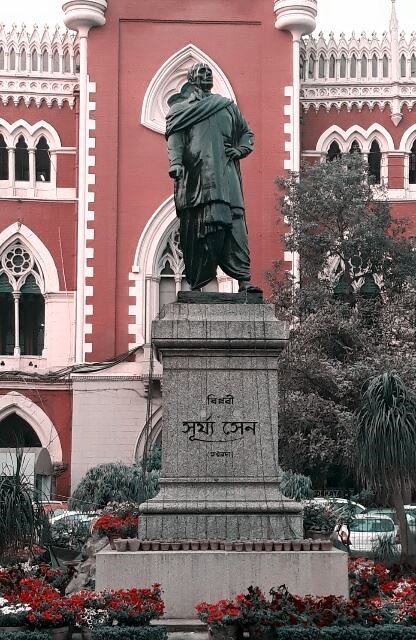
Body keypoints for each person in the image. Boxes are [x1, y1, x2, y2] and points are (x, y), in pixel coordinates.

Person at [165, 62, 261, 293]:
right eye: (201, 71)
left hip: (226, 176)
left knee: (235, 223)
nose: (206, 75)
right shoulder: (181, 110)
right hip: (197, 178)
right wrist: (176, 163)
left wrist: (240, 150)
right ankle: (196, 284)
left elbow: (246, 133)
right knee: (197, 225)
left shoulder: (226, 107)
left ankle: (243, 280)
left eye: (209, 72)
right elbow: (175, 137)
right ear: (191, 78)